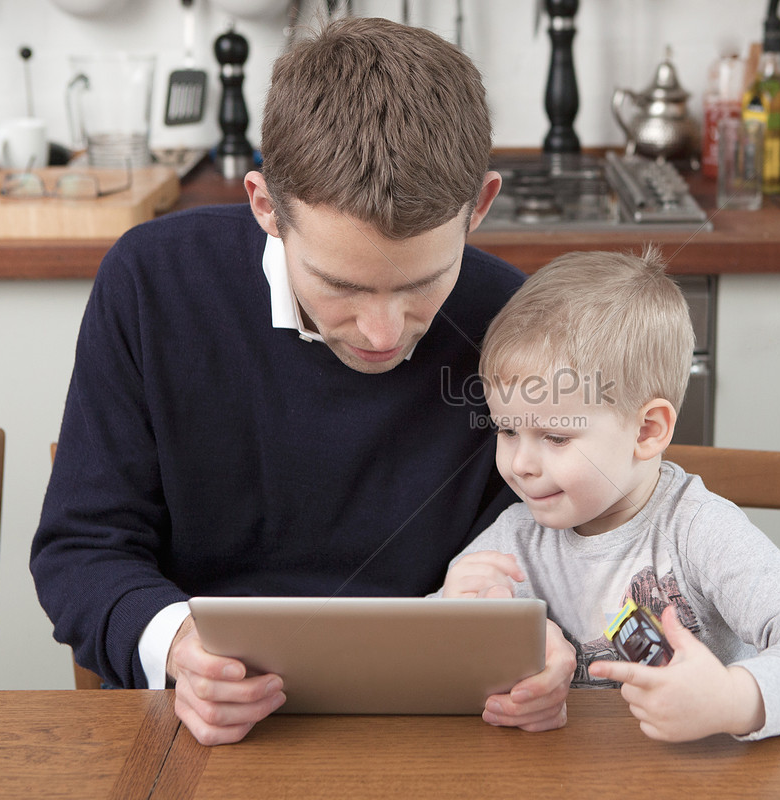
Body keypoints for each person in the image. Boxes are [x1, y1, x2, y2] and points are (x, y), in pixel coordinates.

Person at [31, 17, 574, 746]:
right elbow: (83, 548)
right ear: (265, 207)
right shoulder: (151, 282)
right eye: (341, 284)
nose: (384, 334)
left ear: (479, 206)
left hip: (455, 737)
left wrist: (555, 645)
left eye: (423, 283)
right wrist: (179, 648)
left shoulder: (515, 319)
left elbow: (576, 548)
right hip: (203, 738)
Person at [435, 247, 780, 741]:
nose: (519, 464)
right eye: (507, 431)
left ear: (647, 431)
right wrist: (453, 615)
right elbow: (407, 660)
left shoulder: (698, 531)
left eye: (554, 437)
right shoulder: (514, 537)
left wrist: (733, 700)